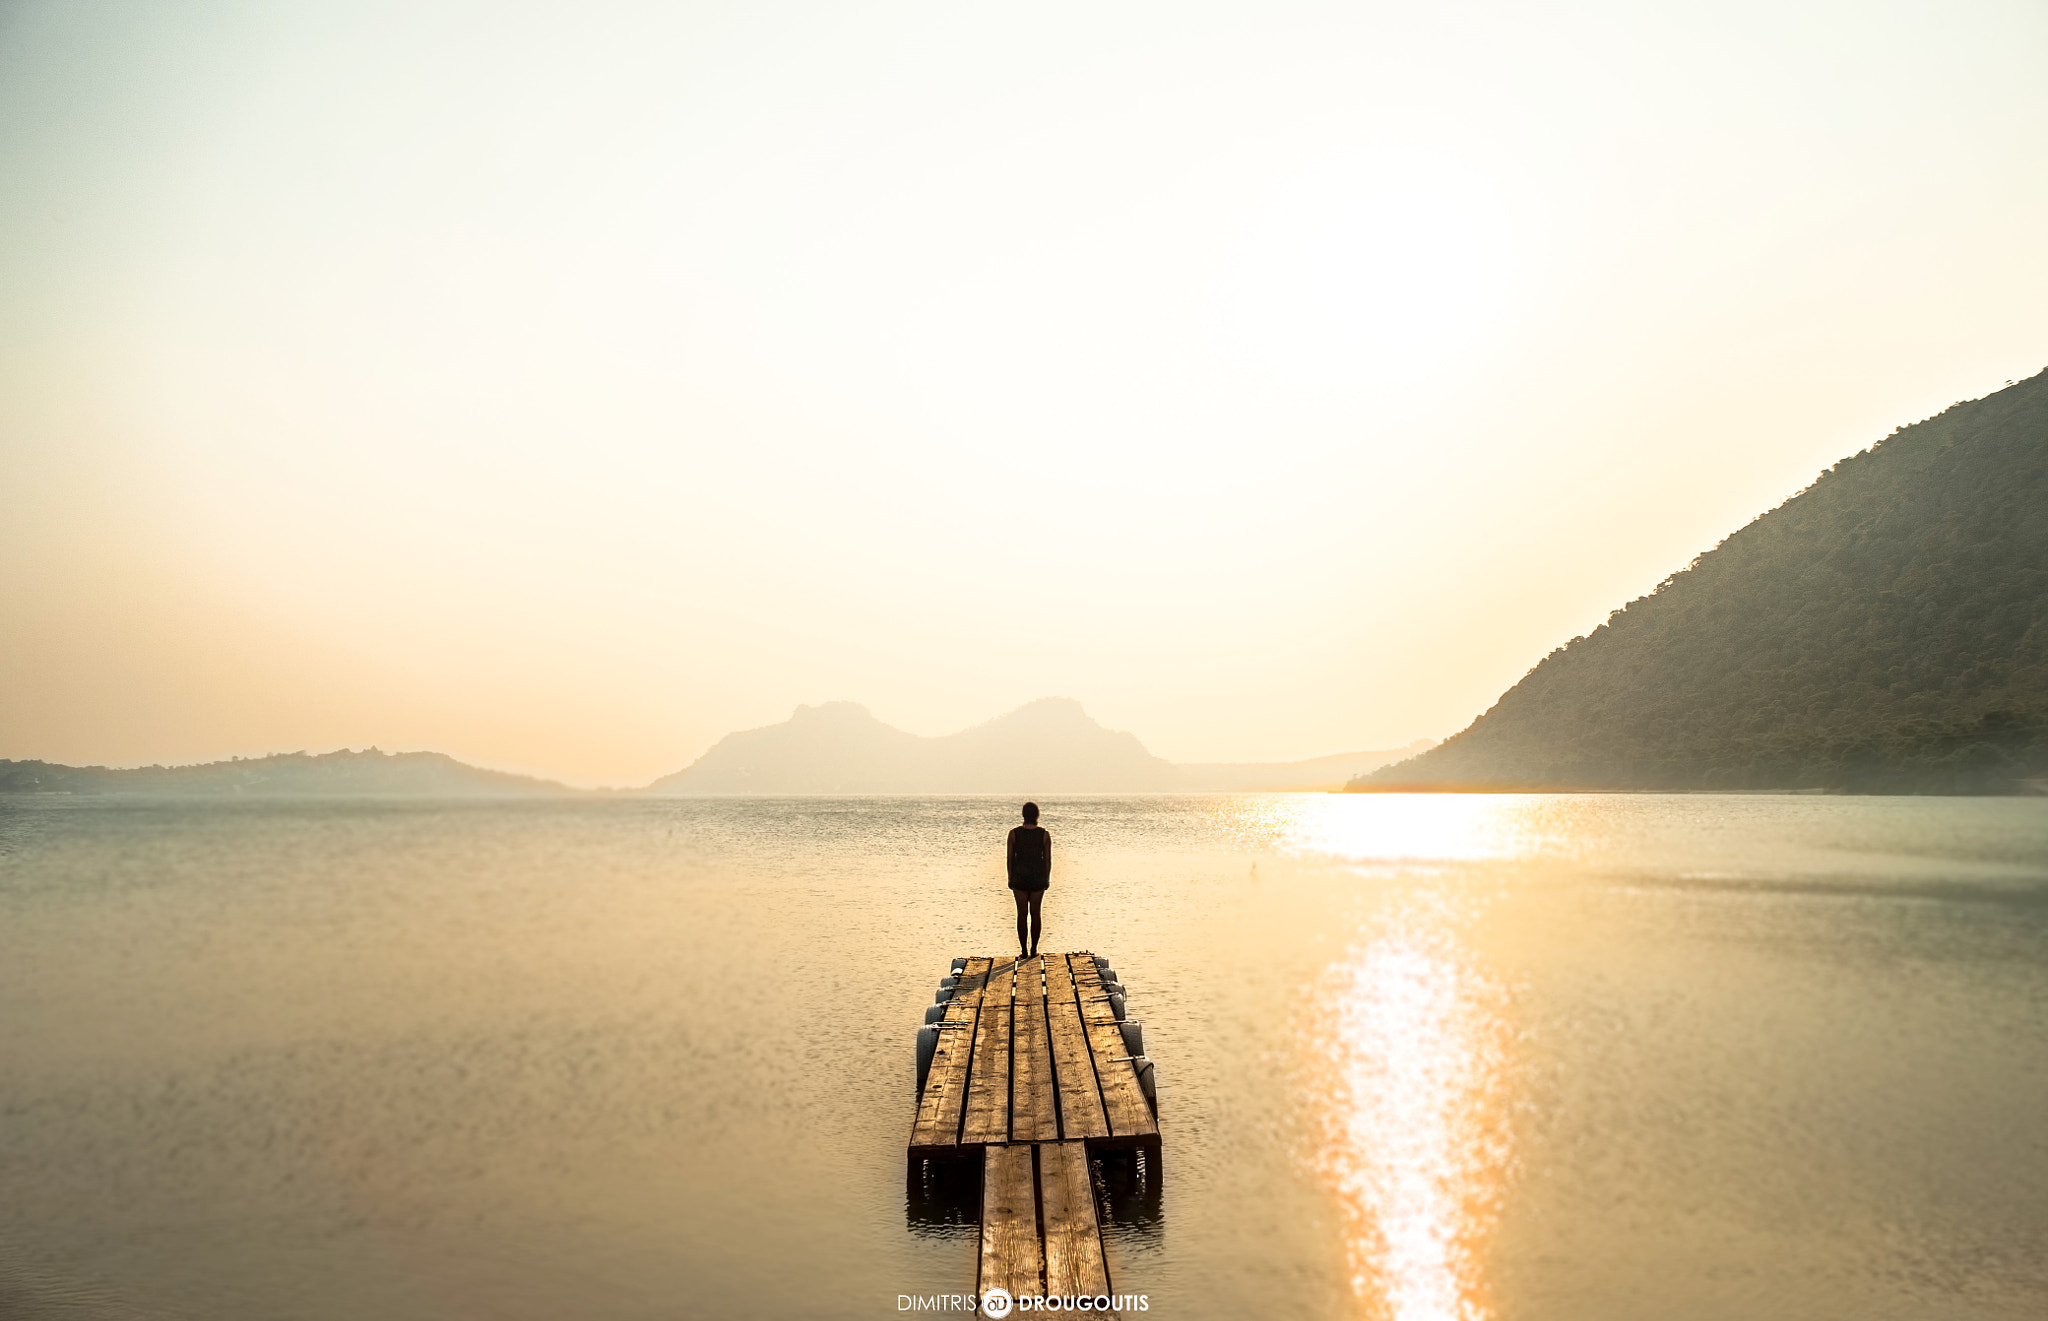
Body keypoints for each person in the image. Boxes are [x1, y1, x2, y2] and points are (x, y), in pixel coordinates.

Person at [1006, 801, 1051, 959]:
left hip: (1019, 878)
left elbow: (1010, 859)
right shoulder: (1044, 835)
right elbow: (1047, 860)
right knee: (1036, 914)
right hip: (1038, 878)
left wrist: (1010, 878)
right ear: (1037, 815)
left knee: (1022, 914)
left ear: (1023, 815)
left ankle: (1024, 950)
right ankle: (1034, 949)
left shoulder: (1014, 834)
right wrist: (1047, 878)